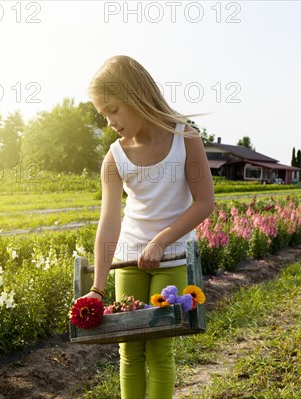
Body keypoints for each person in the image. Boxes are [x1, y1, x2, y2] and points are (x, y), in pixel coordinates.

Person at [80, 55, 215, 399]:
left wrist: (161, 241)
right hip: (128, 259)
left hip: (171, 258)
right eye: (103, 114)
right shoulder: (114, 158)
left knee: (157, 349)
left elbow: (204, 203)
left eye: (113, 109)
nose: (110, 121)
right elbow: (109, 222)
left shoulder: (185, 137)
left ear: (137, 95)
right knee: (130, 351)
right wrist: (97, 287)